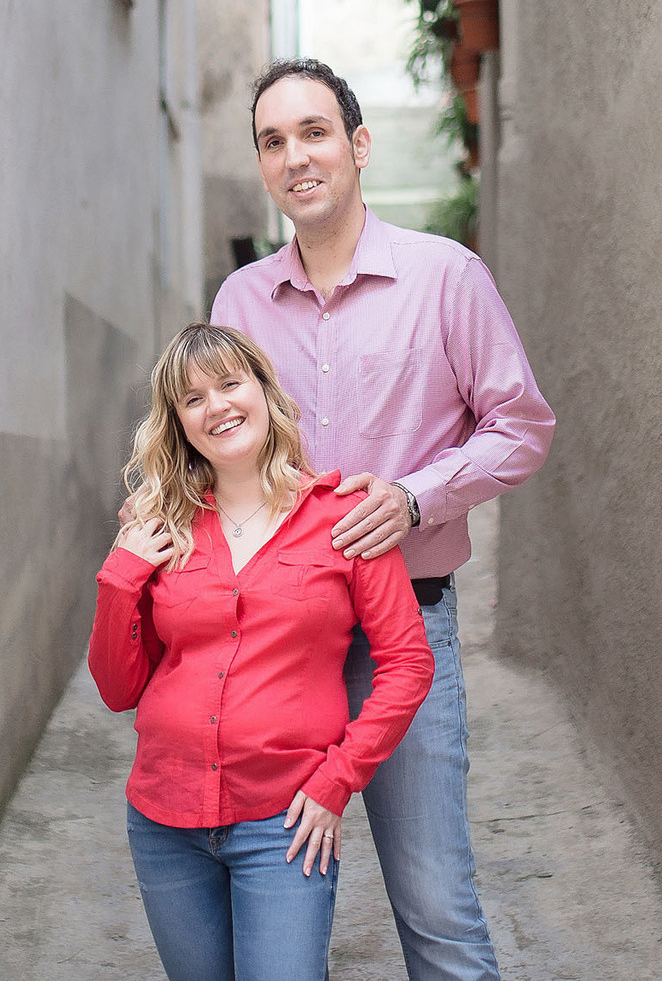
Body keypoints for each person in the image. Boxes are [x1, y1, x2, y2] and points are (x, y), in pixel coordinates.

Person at [210, 57, 554, 981]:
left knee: (436, 904)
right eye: (273, 141)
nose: (296, 157)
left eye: (314, 132)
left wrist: (415, 498)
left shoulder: (446, 278)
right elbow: (217, 458)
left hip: (406, 627)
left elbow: (522, 428)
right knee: (274, 908)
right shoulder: (239, 304)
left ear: (358, 146)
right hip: (277, 643)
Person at [91, 322, 436, 981]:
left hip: (285, 823)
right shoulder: (160, 526)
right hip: (164, 822)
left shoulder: (344, 516)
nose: (216, 405)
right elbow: (116, 688)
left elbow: (407, 662)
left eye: (229, 383)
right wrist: (120, 576)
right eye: (193, 398)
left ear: (263, 392)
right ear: (179, 423)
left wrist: (339, 779)